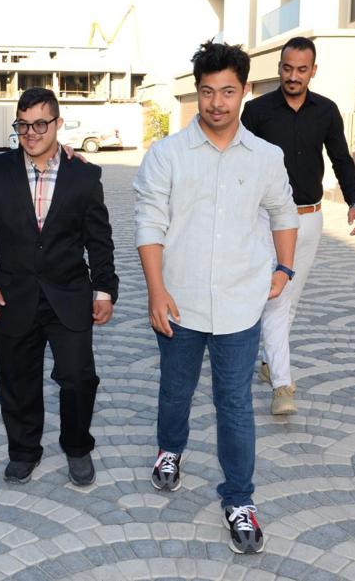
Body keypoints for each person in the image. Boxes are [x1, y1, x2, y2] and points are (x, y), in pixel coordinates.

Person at [134, 41, 298, 554]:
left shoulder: (267, 156)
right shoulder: (167, 155)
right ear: (197, 93)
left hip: (239, 305)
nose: (217, 103)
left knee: (235, 404)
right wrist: (156, 291)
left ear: (244, 91)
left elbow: (284, 213)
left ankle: (239, 499)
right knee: (175, 391)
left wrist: (284, 268)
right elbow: (149, 223)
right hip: (179, 303)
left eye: (228, 91)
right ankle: (170, 449)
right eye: (207, 92)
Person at [0, 87, 118, 487]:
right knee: (17, 378)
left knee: (78, 378)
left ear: (58, 124)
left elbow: (99, 239)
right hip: (11, 295)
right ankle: (23, 450)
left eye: (39, 124)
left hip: (69, 294)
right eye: (22, 125)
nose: (30, 133)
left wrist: (104, 289)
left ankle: (77, 446)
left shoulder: (84, 175)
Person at [241, 36, 355, 415]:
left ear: (313, 71)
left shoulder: (326, 111)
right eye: (287, 68)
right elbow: (235, 159)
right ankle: (282, 385)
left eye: (301, 69)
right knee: (277, 300)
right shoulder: (256, 111)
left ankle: (270, 361)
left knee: (289, 301)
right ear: (279, 68)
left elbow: (341, 159)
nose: (293, 76)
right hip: (267, 219)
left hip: (309, 218)